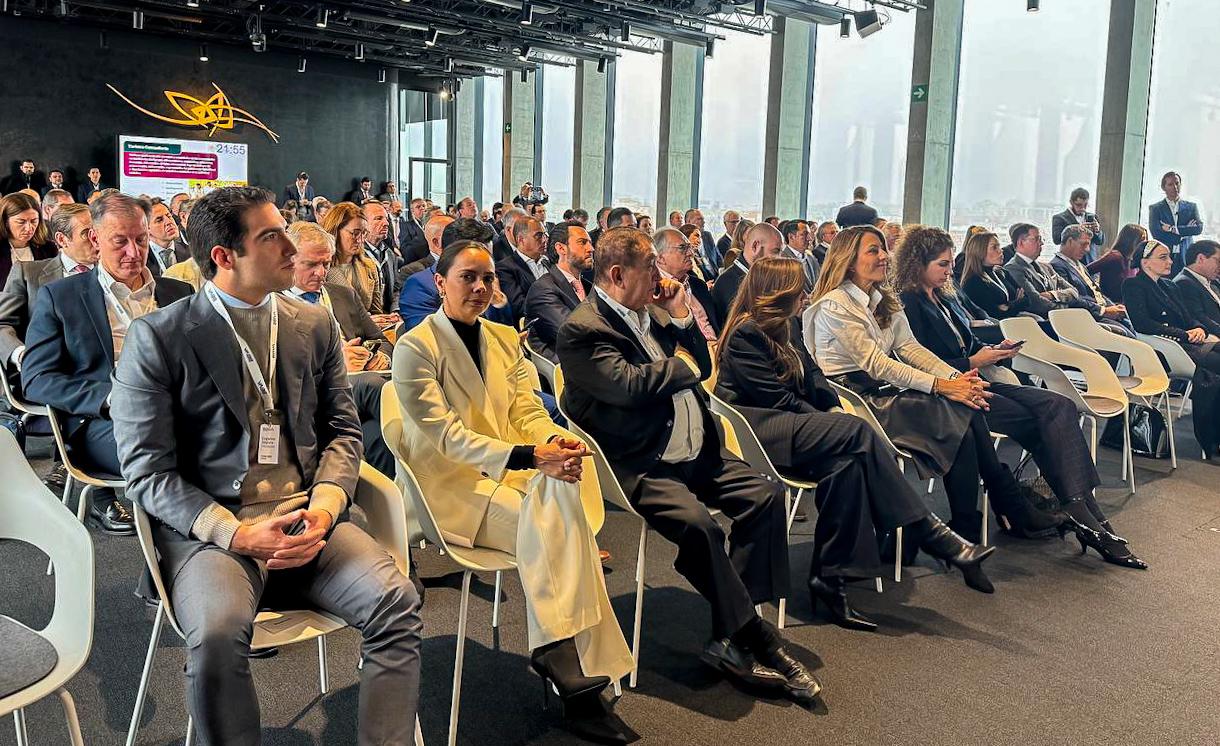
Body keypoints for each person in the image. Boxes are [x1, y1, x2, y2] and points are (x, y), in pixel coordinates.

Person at [109, 186, 421, 745]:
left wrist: (326, 506)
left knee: (396, 602)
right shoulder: (160, 336)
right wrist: (235, 533)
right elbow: (147, 472)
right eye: (271, 236)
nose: (291, 248)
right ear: (224, 256)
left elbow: (343, 433)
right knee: (217, 636)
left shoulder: (313, 324)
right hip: (216, 532)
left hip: (308, 520)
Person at [557, 227, 822, 706]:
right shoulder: (583, 328)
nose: (662, 277)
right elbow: (630, 387)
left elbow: (703, 362)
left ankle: (729, 635)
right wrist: (683, 363)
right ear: (618, 274)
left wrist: (680, 319)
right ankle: (756, 635)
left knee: (766, 496)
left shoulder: (653, 311)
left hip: (697, 451)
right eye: (650, 269)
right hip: (642, 461)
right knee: (700, 526)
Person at [394, 239, 633, 742]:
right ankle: (568, 663)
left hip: (507, 472)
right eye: (467, 277)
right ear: (440, 283)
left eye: (487, 278)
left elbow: (526, 411)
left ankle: (564, 657)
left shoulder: (504, 338)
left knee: (562, 513)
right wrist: (531, 456)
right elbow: (446, 437)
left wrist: (553, 441)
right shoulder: (415, 347)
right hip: (449, 487)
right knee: (551, 525)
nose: (480, 287)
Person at [715, 257, 995, 627]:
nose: (806, 295)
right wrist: (832, 421)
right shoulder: (745, 334)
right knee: (855, 430)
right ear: (777, 293)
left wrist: (831, 408)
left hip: (794, 425)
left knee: (846, 466)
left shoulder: (788, 325)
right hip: (757, 431)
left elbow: (815, 377)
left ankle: (829, 579)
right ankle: (931, 533)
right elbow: (776, 400)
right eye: (799, 290)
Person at [895, 226, 1145, 567]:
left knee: (1059, 405)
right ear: (917, 264)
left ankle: (1080, 509)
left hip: (977, 380)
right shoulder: (910, 304)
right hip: (951, 392)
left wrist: (993, 349)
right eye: (942, 264)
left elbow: (968, 344)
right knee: (1047, 423)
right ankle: (1086, 516)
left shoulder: (944, 298)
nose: (950, 270)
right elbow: (920, 364)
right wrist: (975, 361)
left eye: (950, 263)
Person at [805, 225, 1061, 544]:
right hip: (856, 402)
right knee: (962, 411)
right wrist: (943, 385)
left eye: (883, 248)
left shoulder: (881, 299)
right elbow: (877, 364)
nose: (884, 255)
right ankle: (996, 511)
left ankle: (973, 523)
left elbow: (910, 348)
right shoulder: (835, 304)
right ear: (848, 260)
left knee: (964, 410)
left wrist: (956, 380)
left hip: (884, 391)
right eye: (873, 250)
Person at [22, 193, 193, 533]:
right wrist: (110, 398)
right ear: (95, 239)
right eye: (120, 242)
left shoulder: (180, 293)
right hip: (103, 420)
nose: (134, 252)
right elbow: (37, 378)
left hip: (181, 408)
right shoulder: (62, 297)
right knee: (180, 452)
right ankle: (188, 540)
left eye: (140, 240)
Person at [1123, 239, 1220, 457]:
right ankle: (1211, 438)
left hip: (1185, 343)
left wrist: (1198, 328)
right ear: (1145, 262)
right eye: (1163, 257)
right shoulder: (1133, 285)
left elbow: (1188, 317)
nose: (1170, 261)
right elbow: (1143, 324)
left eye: (1169, 257)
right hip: (1163, 349)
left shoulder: (1169, 286)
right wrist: (1185, 334)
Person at [0, 203, 95, 375]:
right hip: (51, 369)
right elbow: (2, 323)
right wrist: (21, 354)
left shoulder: (115, 272)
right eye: (86, 233)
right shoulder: (28, 274)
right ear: (62, 239)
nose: (96, 239)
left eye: (98, 232)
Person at [399, 218, 512, 331]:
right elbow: (427, 334)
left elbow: (506, 330)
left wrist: (498, 301)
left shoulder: (491, 280)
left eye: (489, 257)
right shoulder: (419, 285)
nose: (485, 263)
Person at [525, 221, 593, 362]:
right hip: (568, 364)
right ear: (561, 248)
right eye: (582, 242)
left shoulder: (588, 286)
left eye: (590, 243)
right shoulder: (543, 289)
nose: (591, 249)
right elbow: (575, 335)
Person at [1051, 225, 1134, 334]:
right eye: (1083, 244)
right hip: (1089, 317)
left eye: (1088, 245)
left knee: (1135, 326)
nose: (1087, 249)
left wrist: (1113, 307)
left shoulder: (1080, 265)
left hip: (1101, 311)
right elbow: (1071, 299)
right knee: (1127, 335)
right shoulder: (1056, 266)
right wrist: (1103, 311)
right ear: (1070, 241)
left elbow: (1096, 292)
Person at [1002, 223, 1078, 318]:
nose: (1042, 243)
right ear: (1021, 242)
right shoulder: (1013, 268)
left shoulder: (1046, 267)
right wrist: (1067, 309)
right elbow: (1036, 302)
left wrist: (1052, 295)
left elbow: (1074, 291)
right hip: (1044, 320)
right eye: (1037, 239)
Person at [654, 228, 719, 341]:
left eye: (689, 247)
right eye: (682, 248)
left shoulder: (698, 284)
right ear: (660, 258)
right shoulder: (654, 293)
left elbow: (718, 325)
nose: (691, 253)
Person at [710, 222, 783, 321]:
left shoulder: (756, 276)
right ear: (755, 246)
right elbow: (746, 326)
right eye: (775, 251)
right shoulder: (729, 283)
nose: (779, 258)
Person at [321, 202, 384, 314]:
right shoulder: (320, 268)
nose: (360, 240)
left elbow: (377, 311)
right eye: (355, 233)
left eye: (364, 233)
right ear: (335, 230)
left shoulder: (369, 266)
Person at [1148, 171, 1204, 275]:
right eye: (1170, 184)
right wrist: (1184, 233)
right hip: (1164, 256)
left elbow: (1198, 228)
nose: (1175, 187)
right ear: (1163, 188)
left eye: (1177, 183)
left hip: (1186, 255)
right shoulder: (1155, 208)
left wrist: (1172, 229)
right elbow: (1156, 233)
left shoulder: (1191, 207)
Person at [497, 215, 549, 324]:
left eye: (545, 235)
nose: (544, 240)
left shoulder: (549, 262)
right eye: (538, 236)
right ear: (521, 239)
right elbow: (520, 306)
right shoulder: (505, 268)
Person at [1, 191, 55, 287]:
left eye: (34, 221)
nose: (29, 228)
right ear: (5, 221)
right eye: (21, 222)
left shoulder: (48, 248)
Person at [1088, 223, 1145, 301]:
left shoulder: (1133, 260)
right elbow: (1086, 270)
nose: (1145, 243)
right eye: (1142, 239)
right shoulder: (1115, 257)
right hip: (1114, 303)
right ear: (1131, 240)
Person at [1173, 240, 1220, 335]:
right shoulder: (1184, 283)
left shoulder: (1212, 282)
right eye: (1218, 261)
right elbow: (1199, 318)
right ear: (1201, 259)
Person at [1051, 187, 1105, 261]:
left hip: (1090, 261)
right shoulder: (1059, 218)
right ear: (1071, 202)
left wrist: (1097, 231)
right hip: (1070, 261)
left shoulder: (1092, 217)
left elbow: (1100, 241)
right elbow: (1056, 240)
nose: (1083, 208)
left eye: (1085, 205)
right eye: (1079, 205)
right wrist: (1076, 229)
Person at [147, 198, 190, 275]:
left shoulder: (191, 254)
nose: (169, 222)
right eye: (159, 220)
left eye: (169, 216)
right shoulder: (140, 259)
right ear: (146, 228)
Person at [779, 219, 819, 293]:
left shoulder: (811, 258)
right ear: (791, 237)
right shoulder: (781, 260)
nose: (810, 238)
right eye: (804, 234)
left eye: (809, 234)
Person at [684, 208, 722, 277]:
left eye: (703, 219)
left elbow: (718, 257)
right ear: (689, 221)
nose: (703, 222)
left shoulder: (708, 236)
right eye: (699, 219)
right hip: (701, 278)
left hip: (716, 275)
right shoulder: (684, 242)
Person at [399, 197, 428, 263]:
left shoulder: (432, 224)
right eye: (418, 207)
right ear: (412, 211)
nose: (422, 208)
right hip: (416, 262)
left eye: (424, 206)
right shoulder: (406, 226)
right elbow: (405, 249)